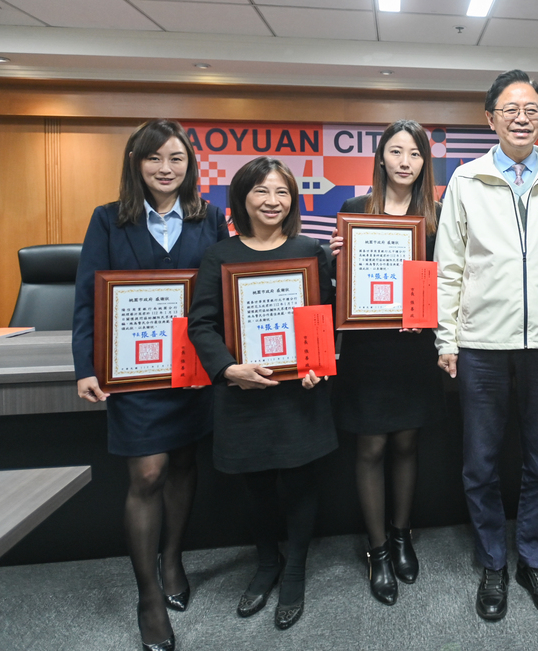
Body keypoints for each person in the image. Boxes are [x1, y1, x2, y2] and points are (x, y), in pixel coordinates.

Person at [435, 69, 538, 621]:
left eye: (531, 110)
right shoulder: (466, 179)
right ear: (490, 118)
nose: (522, 118)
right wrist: (447, 337)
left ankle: (533, 560)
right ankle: (492, 563)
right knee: (480, 462)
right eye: (511, 109)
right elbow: (449, 267)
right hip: (481, 343)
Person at [72, 118, 227, 651]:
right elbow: (88, 298)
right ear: (136, 163)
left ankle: (173, 557)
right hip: (133, 372)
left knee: (183, 462)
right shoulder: (108, 219)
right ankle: (148, 597)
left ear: (190, 165)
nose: (166, 168)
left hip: (192, 369)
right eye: (154, 158)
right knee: (148, 473)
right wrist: (84, 366)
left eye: (176, 158)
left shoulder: (210, 218)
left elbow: (225, 293)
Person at [187, 157, 337, 631]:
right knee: (255, 486)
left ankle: (295, 570)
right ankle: (267, 562)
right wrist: (228, 368)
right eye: (261, 191)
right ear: (242, 198)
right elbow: (201, 324)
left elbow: (325, 318)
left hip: (299, 394)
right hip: (244, 392)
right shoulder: (219, 255)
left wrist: (317, 366)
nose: (273, 201)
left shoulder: (311, 251)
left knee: (299, 481)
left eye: (282, 192)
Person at [329, 119, 445, 605]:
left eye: (414, 154)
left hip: (414, 347)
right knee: (371, 446)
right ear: (380, 158)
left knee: (406, 443)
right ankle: (377, 550)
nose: (405, 162)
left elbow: (450, 280)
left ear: (424, 162)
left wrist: (429, 305)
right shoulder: (355, 211)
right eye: (396, 152)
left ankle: (402, 536)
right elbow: (339, 287)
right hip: (367, 347)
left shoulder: (437, 215)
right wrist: (335, 258)